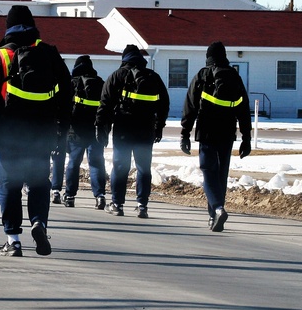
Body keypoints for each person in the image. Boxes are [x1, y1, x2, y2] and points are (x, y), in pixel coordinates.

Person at [0, 5, 72, 257]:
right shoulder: (50, 55)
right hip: (41, 135)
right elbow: (67, 97)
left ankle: (13, 239)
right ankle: (39, 223)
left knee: (9, 186)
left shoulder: (0, 58)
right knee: (38, 183)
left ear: (8, 27)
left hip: (7, 136)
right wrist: (62, 132)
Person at [180, 41, 252, 232]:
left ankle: (218, 209)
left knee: (208, 172)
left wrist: (185, 134)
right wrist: (247, 138)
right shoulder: (234, 77)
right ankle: (213, 216)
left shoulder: (202, 76)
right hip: (228, 132)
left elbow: (190, 107)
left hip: (207, 131)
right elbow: (244, 110)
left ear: (208, 57)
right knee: (221, 174)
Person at [96, 44, 170, 219]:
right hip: (146, 129)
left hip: (124, 127)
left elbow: (105, 104)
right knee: (143, 167)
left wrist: (101, 127)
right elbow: (164, 104)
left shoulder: (117, 76)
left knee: (120, 166)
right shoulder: (153, 77)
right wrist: (159, 126)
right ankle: (142, 205)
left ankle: (117, 204)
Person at [63, 55, 107, 209]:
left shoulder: (72, 83)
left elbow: (64, 108)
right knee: (96, 163)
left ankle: (69, 196)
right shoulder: (101, 83)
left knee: (73, 163)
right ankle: (100, 196)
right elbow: (106, 107)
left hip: (76, 131)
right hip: (96, 130)